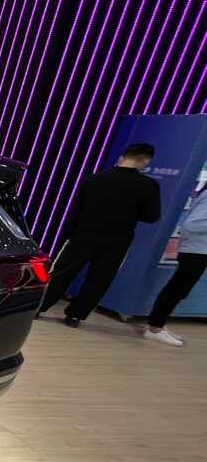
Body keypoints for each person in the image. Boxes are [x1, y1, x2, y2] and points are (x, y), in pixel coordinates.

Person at [39, 142, 162, 327]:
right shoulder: (149, 185)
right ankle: (75, 316)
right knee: (99, 279)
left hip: (83, 235)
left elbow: (76, 210)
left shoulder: (94, 179)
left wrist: (68, 235)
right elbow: (151, 216)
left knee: (62, 272)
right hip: (118, 240)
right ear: (144, 160)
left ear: (123, 157)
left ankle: (39, 307)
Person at [144, 184, 207, 346]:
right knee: (176, 289)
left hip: (197, 249)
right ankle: (155, 328)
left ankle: (158, 324)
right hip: (196, 249)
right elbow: (193, 225)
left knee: (178, 290)